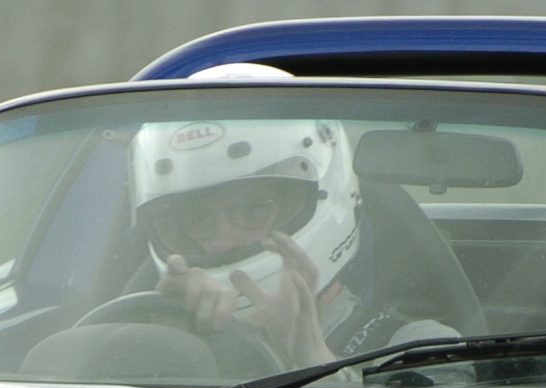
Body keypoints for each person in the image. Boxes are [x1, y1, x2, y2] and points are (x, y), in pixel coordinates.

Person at [130, 109, 455, 372]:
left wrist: (314, 365)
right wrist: (164, 354)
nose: (222, 240)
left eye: (252, 209)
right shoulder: (171, 342)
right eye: (198, 220)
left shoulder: (419, 345)